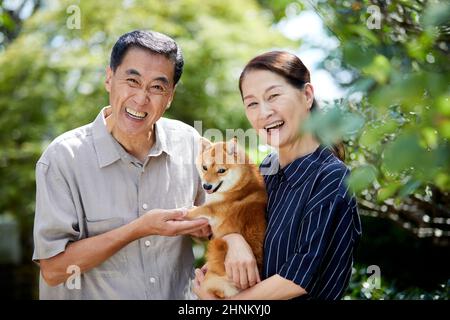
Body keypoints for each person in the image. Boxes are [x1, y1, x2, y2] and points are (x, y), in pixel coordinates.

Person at [32, 30, 215, 299]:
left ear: (170, 96)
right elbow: (54, 269)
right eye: (132, 81)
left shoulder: (190, 143)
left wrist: (210, 230)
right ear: (109, 78)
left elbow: (217, 219)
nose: (141, 99)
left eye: (157, 87)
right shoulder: (63, 158)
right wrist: (139, 229)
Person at [193, 51, 362, 300]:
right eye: (252, 103)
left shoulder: (331, 178)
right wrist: (234, 240)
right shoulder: (266, 170)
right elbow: (232, 217)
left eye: (273, 96)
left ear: (306, 96)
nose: (264, 112)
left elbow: (297, 279)